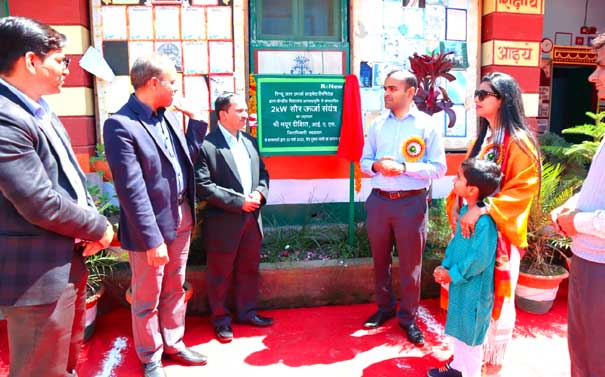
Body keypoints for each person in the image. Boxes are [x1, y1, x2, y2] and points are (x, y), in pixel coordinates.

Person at [0, 17, 114, 377]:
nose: (67, 69)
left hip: (66, 260)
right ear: (31, 61)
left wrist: (90, 224)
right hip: (36, 273)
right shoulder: (6, 118)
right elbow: (40, 202)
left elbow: (70, 180)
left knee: (63, 365)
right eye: (61, 60)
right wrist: (99, 226)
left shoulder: (38, 109)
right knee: (40, 370)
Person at [103, 53, 208, 377]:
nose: (176, 89)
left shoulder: (166, 116)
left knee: (176, 287)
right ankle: (151, 357)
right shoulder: (120, 124)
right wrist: (152, 241)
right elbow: (131, 191)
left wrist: (198, 121)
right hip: (150, 227)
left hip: (181, 219)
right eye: (172, 83)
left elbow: (186, 159)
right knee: (147, 296)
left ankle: (174, 343)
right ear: (153, 83)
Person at [446, 72, 540, 374]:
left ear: (503, 99)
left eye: (483, 94)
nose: (476, 99)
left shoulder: (520, 142)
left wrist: (484, 208)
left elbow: (523, 189)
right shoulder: (481, 140)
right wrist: (461, 210)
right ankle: (465, 360)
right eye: (476, 93)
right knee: (466, 296)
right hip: (470, 233)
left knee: (491, 302)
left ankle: (488, 364)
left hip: (496, 237)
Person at [360, 70, 447, 345]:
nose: (387, 93)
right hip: (379, 202)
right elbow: (363, 162)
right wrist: (375, 166)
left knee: (411, 265)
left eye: (393, 89)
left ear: (410, 93)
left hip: (411, 202)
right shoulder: (376, 125)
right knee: (380, 261)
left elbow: (439, 167)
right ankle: (384, 308)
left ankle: (409, 318)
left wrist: (404, 167)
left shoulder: (427, 126)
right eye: (385, 88)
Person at [194, 92, 272, 343]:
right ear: (223, 114)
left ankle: (247, 312)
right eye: (239, 111)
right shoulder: (207, 145)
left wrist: (260, 192)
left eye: (245, 110)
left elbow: (263, 174)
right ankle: (220, 320)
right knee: (220, 273)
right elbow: (203, 185)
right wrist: (240, 203)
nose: (246, 115)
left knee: (249, 269)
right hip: (223, 222)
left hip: (252, 220)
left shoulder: (249, 141)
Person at [551, 31, 605, 377]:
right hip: (588, 261)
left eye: (601, 67)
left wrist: (577, 222)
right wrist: (568, 208)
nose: (592, 77)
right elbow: (596, 189)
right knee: (583, 360)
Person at [429, 158, 501, 377]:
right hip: (460, 286)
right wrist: (445, 266)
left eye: (459, 177)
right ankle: (458, 369)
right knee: (460, 331)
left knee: (472, 339)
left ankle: (470, 373)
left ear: (472, 189)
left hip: (475, 291)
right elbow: (455, 244)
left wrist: (453, 274)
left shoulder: (484, 223)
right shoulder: (465, 213)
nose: (454, 179)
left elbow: (479, 259)